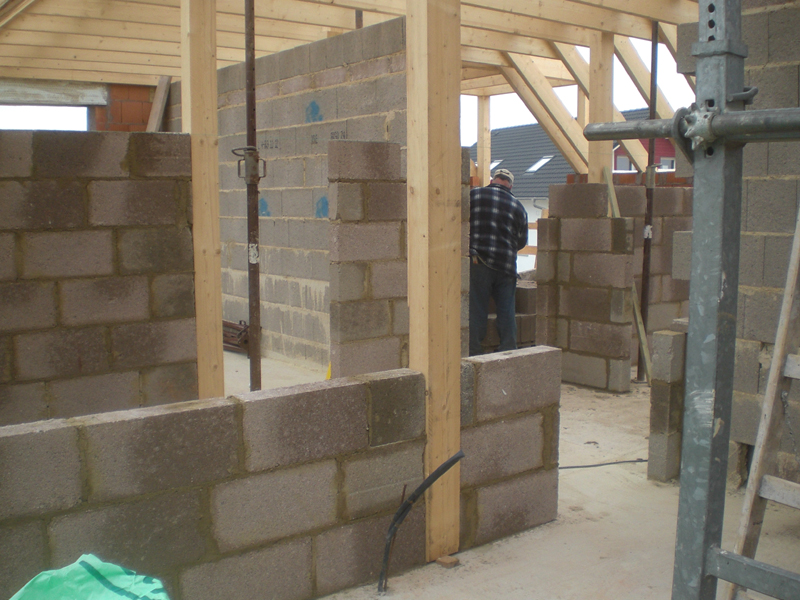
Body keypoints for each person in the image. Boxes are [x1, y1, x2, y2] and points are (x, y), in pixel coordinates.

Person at [469, 168, 528, 355]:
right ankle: (508, 351)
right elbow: (521, 242)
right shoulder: (518, 206)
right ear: (510, 186)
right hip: (506, 267)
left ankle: (474, 353)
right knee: (507, 311)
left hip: (479, 262)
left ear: (493, 180)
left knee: (477, 309)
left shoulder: (474, 195)